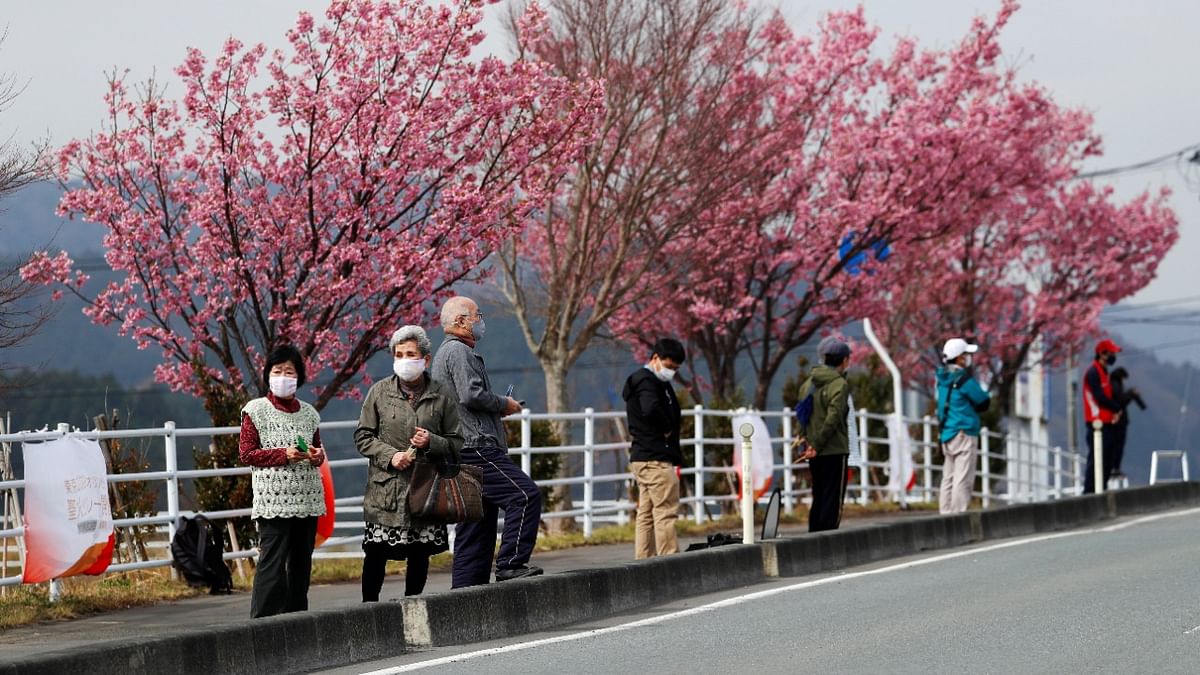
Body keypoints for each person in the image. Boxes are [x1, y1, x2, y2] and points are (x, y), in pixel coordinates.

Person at [430, 296, 543, 586]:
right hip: (477, 449)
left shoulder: (444, 354)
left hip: (459, 450)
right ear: (460, 321)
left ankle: (466, 596)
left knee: (474, 528)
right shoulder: (459, 352)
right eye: (477, 316)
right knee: (525, 495)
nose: (481, 322)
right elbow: (471, 395)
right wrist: (502, 403)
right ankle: (511, 563)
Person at [355, 325, 464, 600]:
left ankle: (413, 607)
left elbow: (457, 442)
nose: (405, 360)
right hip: (386, 493)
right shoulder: (379, 392)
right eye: (399, 354)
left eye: (411, 354)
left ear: (425, 359)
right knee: (376, 554)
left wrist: (432, 442)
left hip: (424, 490)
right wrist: (390, 456)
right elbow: (363, 436)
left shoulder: (442, 395)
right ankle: (369, 611)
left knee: (419, 555)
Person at [239, 344, 327, 618]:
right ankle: (263, 624)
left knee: (301, 565)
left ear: (299, 377)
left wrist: (316, 456)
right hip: (273, 500)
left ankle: (296, 621)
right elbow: (247, 453)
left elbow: (317, 449)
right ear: (268, 375)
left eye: (290, 371)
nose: (283, 376)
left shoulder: (310, 413)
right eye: (277, 371)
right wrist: (283, 454)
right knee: (272, 563)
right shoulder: (255, 410)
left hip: (307, 498)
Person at [623, 338, 685, 559]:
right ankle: (669, 560)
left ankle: (644, 561)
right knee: (665, 511)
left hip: (642, 456)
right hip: (655, 457)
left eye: (675, 369)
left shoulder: (651, 381)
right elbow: (651, 409)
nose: (671, 372)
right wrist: (666, 427)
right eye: (669, 366)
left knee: (646, 513)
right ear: (655, 358)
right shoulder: (647, 382)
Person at [796, 336, 852, 532]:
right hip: (834, 448)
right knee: (833, 498)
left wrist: (807, 443)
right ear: (844, 360)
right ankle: (829, 539)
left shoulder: (808, 384)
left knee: (818, 494)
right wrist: (818, 444)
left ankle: (814, 537)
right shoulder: (839, 385)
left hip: (813, 451)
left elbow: (802, 414)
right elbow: (834, 417)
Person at [935, 338, 991, 514]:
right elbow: (983, 400)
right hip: (964, 431)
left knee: (948, 477)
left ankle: (945, 513)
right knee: (963, 477)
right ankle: (958, 515)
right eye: (966, 354)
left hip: (947, 432)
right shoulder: (964, 379)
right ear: (959, 358)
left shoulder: (942, 379)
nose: (968, 357)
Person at [1082, 339, 1123, 494]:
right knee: (1096, 459)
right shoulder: (1093, 372)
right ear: (1102, 354)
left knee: (1108, 459)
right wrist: (1116, 408)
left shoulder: (1104, 372)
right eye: (1111, 353)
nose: (1113, 356)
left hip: (1107, 422)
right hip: (1095, 423)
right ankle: (1089, 492)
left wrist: (1114, 413)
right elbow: (1099, 396)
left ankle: (1102, 488)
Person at [1107, 366, 1145, 484]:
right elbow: (1120, 401)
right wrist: (1131, 394)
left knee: (1116, 446)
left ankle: (1114, 468)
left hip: (1116, 421)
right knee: (1117, 446)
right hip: (1118, 421)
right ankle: (1114, 468)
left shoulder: (1112, 384)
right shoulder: (1115, 385)